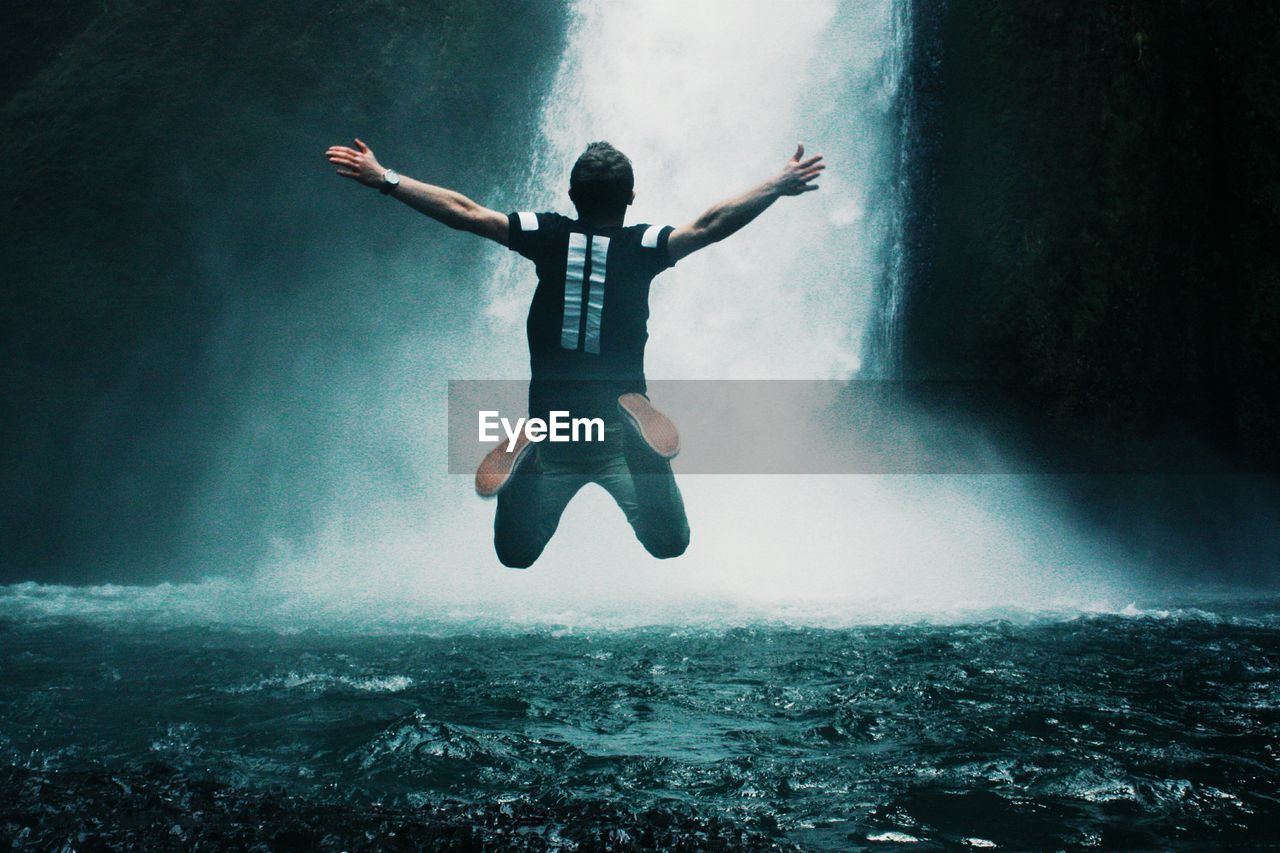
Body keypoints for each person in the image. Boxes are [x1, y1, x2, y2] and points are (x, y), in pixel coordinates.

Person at [325, 139, 825, 567]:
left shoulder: (548, 234)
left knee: (515, 555)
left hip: (554, 428)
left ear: (570, 195)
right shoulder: (644, 244)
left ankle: (527, 455)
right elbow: (710, 225)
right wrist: (776, 185)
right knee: (670, 544)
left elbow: (465, 212)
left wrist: (385, 176)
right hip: (613, 429)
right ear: (631, 197)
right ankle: (643, 448)